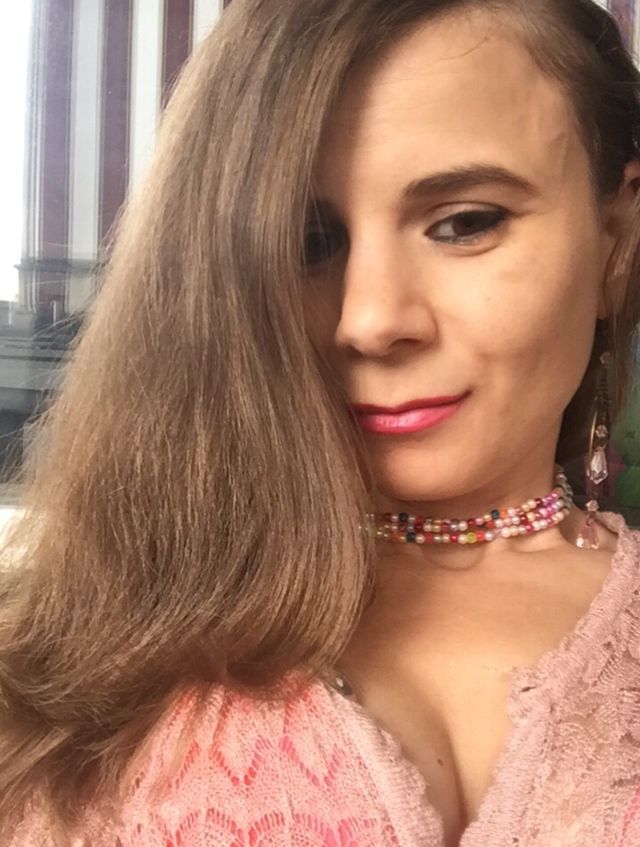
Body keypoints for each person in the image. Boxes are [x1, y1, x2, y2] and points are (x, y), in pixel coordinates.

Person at [2, 0, 640, 844]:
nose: (369, 320)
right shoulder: (63, 644)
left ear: (615, 236)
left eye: (464, 223)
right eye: (307, 240)